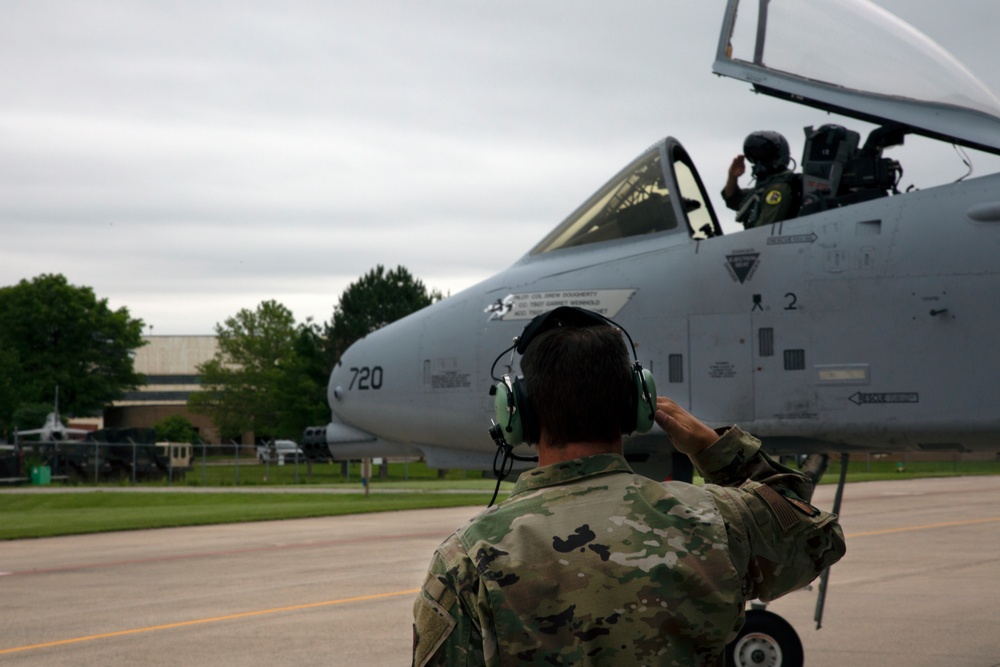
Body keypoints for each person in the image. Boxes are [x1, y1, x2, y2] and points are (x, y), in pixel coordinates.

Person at [412, 307, 845, 666]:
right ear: (638, 403)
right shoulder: (716, 519)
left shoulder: (465, 562)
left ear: (516, 413)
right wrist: (717, 449)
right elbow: (815, 534)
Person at [723, 130, 801, 229]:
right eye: (755, 156)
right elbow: (733, 200)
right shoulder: (765, 187)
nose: (759, 162)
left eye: (762, 155)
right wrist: (732, 177)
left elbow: (764, 230)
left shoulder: (777, 189)